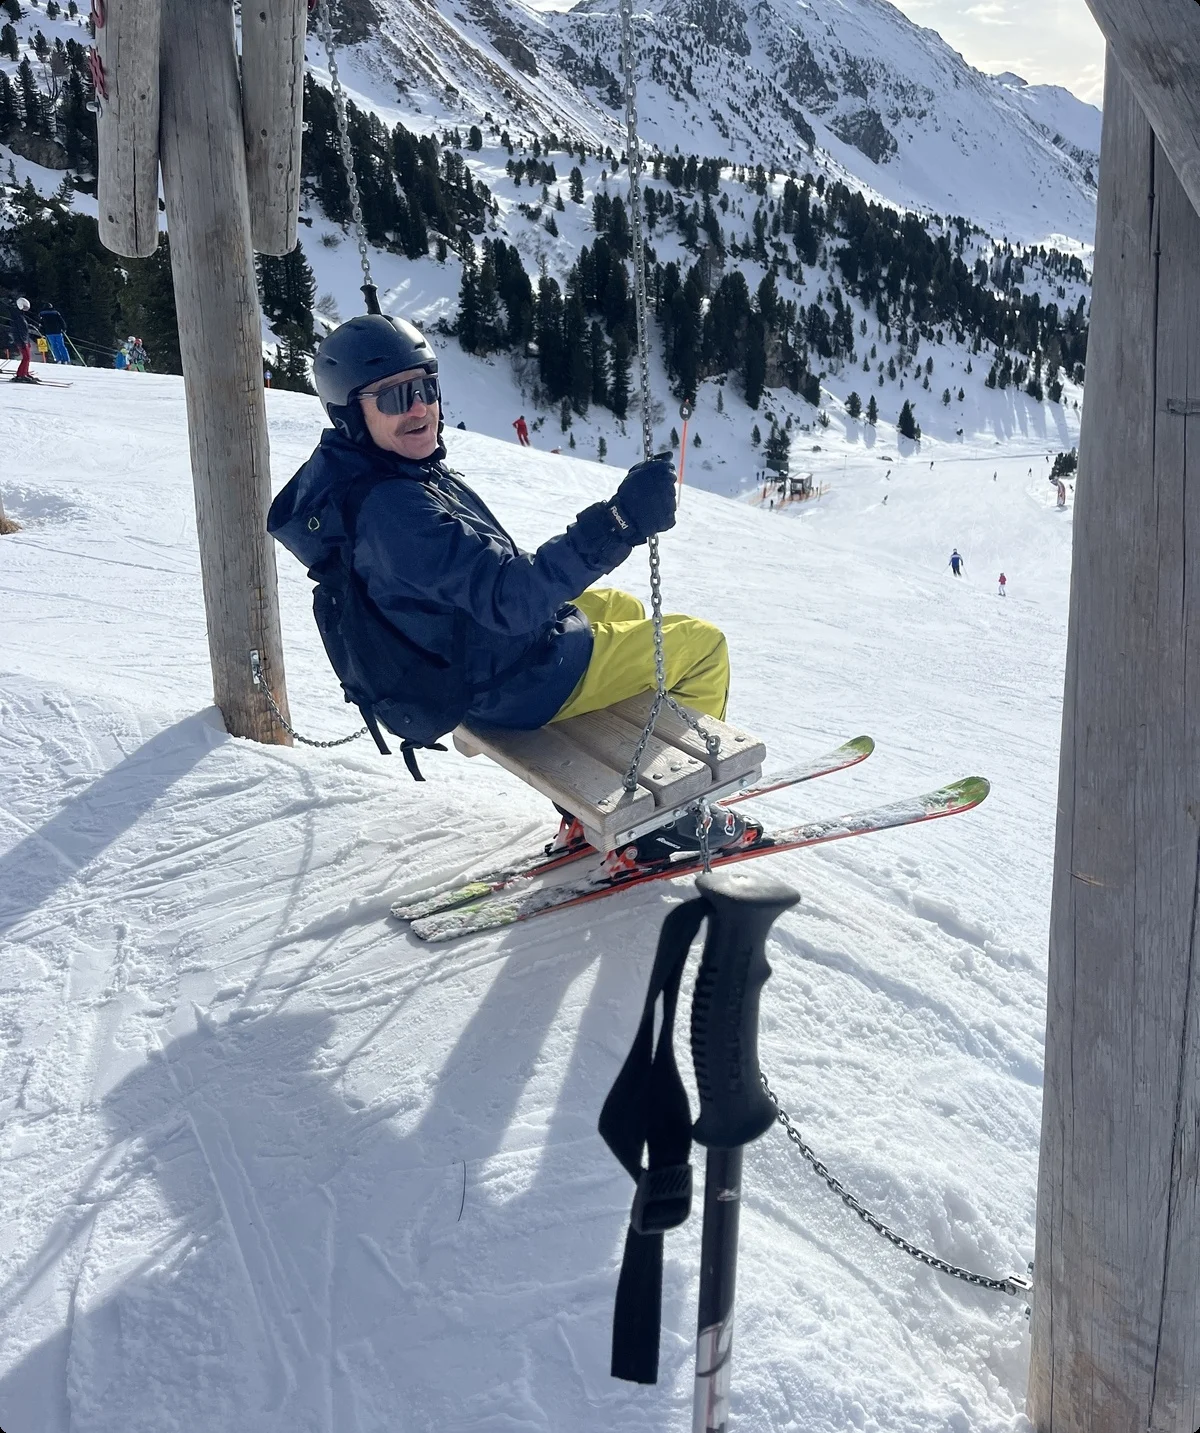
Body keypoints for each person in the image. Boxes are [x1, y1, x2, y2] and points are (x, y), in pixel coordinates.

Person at [268, 316, 748, 863]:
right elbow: (511, 599)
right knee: (701, 645)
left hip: (463, 655)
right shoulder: (394, 512)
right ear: (352, 413)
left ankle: (609, 790)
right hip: (510, 680)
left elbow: (489, 586)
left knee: (621, 607)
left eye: (426, 387)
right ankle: (673, 819)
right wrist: (620, 522)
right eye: (396, 396)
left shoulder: (368, 473)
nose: (420, 407)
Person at [6, 297, 36, 384]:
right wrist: (24, 341)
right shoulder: (18, 317)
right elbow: (19, 330)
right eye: (24, 307)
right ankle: (21, 374)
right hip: (22, 340)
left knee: (27, 357)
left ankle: (24, 373)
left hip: (24, 339)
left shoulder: (19, 315)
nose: (25, 310)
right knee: (26, 357)